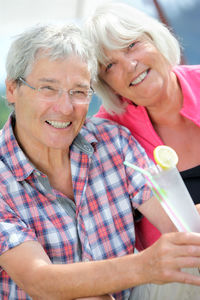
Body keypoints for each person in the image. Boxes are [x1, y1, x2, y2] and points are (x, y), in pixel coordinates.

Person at [1, 23, 200, 300]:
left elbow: (181, 224)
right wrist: (145, 264)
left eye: (79, 91)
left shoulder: (114, 142)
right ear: (12, 89)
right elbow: (39, 281)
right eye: (48, 88)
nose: (65, 108)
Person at [84, 1, 200, 251]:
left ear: (155, 38)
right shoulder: (106, 134)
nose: (129, 65)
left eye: (131, 45)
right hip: (179, 277)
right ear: (108, 85)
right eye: (110, 66)